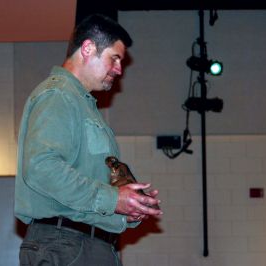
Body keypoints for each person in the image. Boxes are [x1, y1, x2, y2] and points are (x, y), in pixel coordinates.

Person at [15, 13, 163, 266]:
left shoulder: (83, 105)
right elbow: (42, 168)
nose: (119, 70)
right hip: (66, 246)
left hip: (80, 246)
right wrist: (113, 199)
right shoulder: (58, 95)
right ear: (88, 48)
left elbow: (93, 182)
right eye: (114, 59)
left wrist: (129, 206)